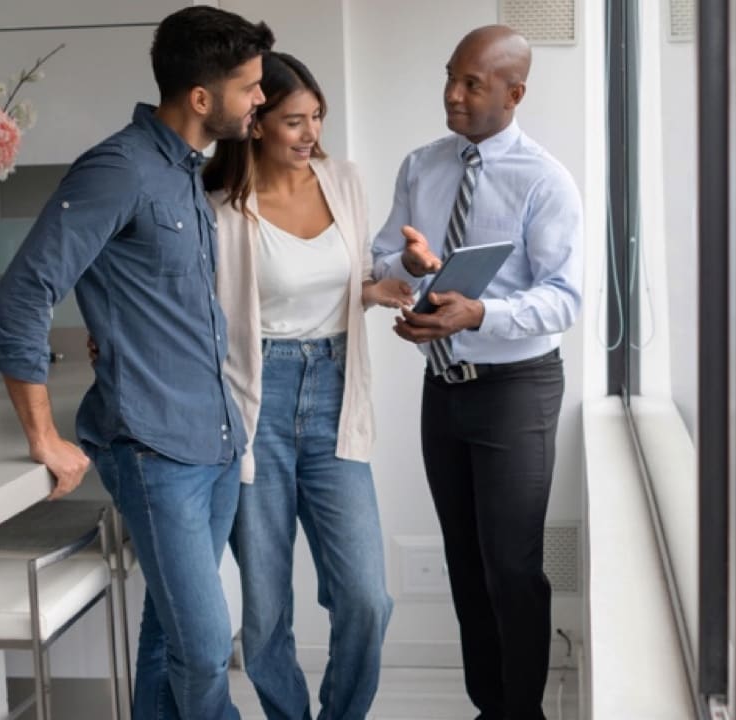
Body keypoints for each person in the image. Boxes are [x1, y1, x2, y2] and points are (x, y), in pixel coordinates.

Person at [0, 7, 272, 719]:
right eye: (251, 87)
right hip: (153, 449)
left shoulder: (185, 174)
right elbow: (24, 291)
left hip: (214, 440)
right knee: (206, 648)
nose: (261, 99)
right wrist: (43, 435)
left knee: (169, 639)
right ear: (202, 98)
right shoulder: (118, 169)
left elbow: (154, 299)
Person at [371, 25, 582, 720]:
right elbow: (381, 258)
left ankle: (523, 713)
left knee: (512, 569)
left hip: (515, 393)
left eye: (473, 84)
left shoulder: (545, 180)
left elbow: (564, 297)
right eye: (450, 77)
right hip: (443, 389)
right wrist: (412, 267)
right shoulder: (420, 165)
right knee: (466, 565)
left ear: (514, 94)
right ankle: (489, 709)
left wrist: (478, 314)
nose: (453, 95)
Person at [205, 51, 408, 720]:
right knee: (265, 611)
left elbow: (352, 284)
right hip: (255, 403)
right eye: (295, 120)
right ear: (257, 122)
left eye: (318, 117)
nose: (312, 133)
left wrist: (384, 288)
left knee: (366, 597)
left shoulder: (344, 182)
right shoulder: (221, 207)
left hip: (335, 392)